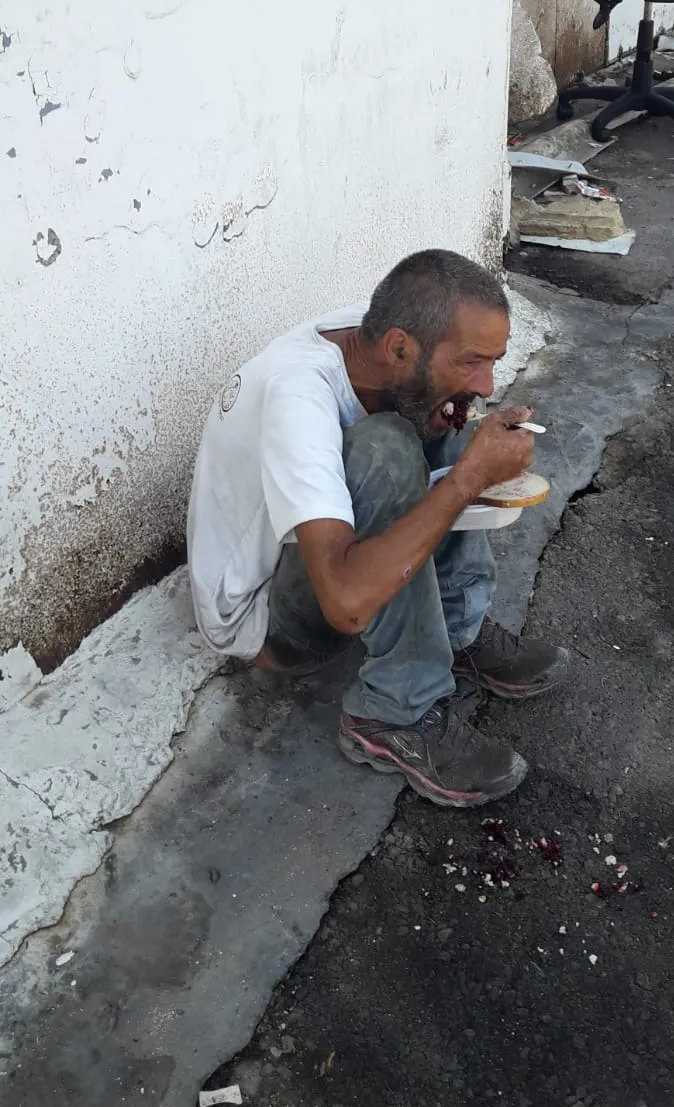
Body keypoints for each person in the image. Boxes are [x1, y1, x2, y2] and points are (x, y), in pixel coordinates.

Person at [187, 249, 568, 807]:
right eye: (472, 362)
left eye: (493, 362)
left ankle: (456, 633)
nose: (487, 382)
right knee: (389, 447)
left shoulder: (382, 340)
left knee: (451, 419)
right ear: (397, 346)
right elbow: (344, 602)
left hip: (319, 563)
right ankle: (394, 713)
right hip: (267, 617)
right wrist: (464, 481)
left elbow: (439, 407)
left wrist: (454, 422)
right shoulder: (298, 396)